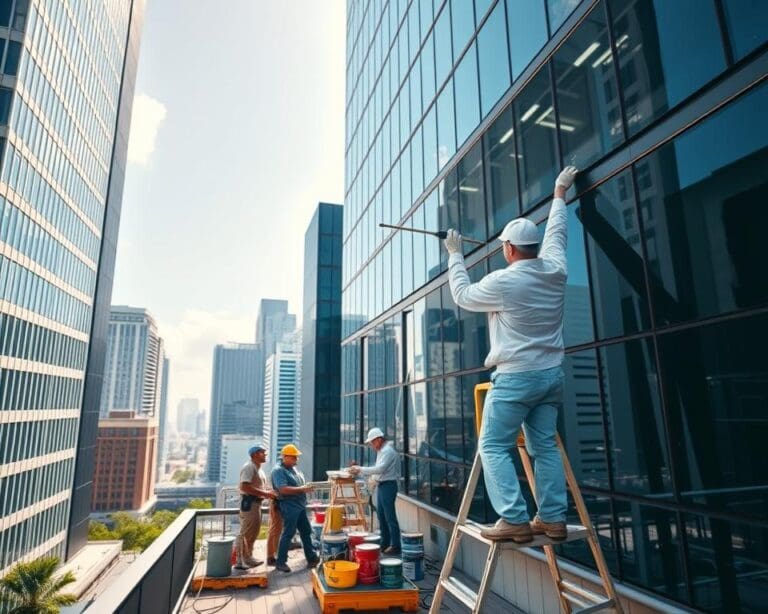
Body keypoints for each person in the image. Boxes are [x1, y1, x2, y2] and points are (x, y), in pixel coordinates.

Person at [443, 166, 578, 543]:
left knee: (492, 445)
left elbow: (463, 296)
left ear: (509, 249)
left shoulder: (504, 281)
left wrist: (456, 255)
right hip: (551, 375)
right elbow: (557, 233)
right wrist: (559, 193)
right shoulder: (556, 268)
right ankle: (551, 519)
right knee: (544, 447)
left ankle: (515, 519)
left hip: (517, 378)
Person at [349, 427, 402, 555]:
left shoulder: (388, 451)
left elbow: (380, 469)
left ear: (379, 439)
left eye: (373, 442)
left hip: (388, 485)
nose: (372, 445)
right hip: (382, 485)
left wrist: (360, 469)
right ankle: (385, 544)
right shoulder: (382, 451)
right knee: (382, 516)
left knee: (390, 517)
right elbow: (377, 471)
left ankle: (396, 545)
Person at [270, 443, 319, 572]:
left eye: (296, 457)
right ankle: (281, 562)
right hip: (289, 506)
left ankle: (311, 557)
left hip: (300, 505)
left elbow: (298, 483)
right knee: (289, 533)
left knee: (306, 531)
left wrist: (303, 488)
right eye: (293, 457)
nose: (296, 460)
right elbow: (283, 489)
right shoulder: (278, 471)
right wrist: (302, 489)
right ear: (285, 457)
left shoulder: (293, 468)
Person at [235, 444, 275, 570]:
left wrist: (268, 492)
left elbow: (258, 486)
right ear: (254, 455)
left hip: (256, 504)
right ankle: (242, 561)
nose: (265, 454)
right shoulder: (249, 467)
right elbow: (244, 487)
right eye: (262, 452)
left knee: (253, 532)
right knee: (247, 532)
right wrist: (265, 494)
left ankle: (248, 557)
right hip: (249, 503)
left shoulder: (259, 469)